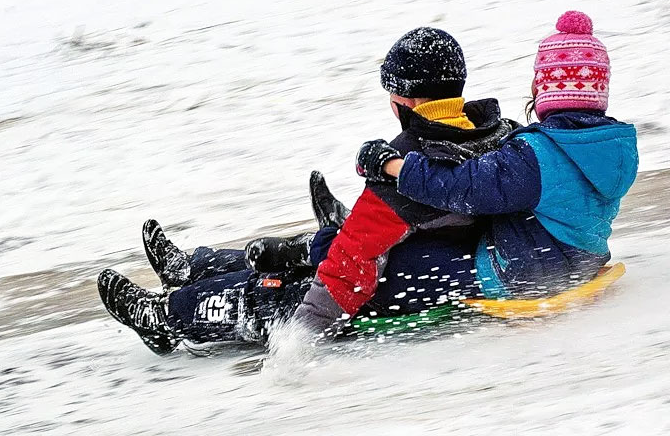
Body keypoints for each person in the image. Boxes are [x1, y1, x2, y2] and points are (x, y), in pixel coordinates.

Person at [97, 27, 520, 354]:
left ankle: (166, 318)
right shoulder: (497, 137)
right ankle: (194, 267)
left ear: (404, 102)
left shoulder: (406, 169)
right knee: (311, 249)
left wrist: (301, 338)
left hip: (383, 282)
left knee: (269, 293)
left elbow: (350, 265)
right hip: (425, 253)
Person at [351, 11, 638, 325]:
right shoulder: (613, 147)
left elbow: (465, 188)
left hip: (521, 274)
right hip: (581, 260)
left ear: (545, 89)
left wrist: (393, 166)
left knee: (402, 267)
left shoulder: (537, 155)